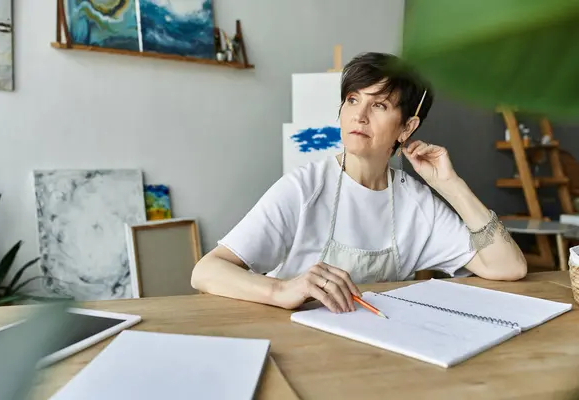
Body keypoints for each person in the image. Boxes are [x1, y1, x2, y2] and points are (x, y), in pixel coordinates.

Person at [191, 52, 527, 314]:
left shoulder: (417, 203)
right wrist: (281, 290)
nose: (359, 115)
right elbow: (207, 271)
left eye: (378, 104)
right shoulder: (303, 189)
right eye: (353, 99)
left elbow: (507, 267)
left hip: (382, 350)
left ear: (406, 129)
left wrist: (452, 185)